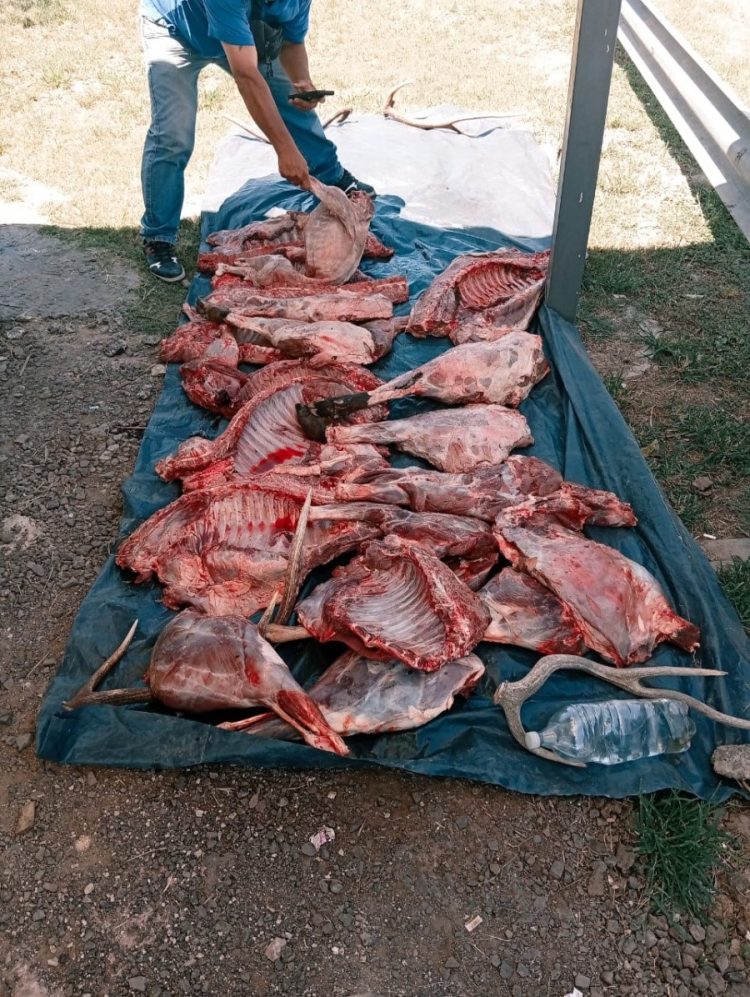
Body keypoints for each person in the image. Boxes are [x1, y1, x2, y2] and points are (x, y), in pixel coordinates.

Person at [138, 0, 374, 281]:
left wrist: (302, 81)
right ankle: (159, 236)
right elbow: (247, 75)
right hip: (176, 32)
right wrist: (285, 150)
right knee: (173, 134)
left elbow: (291, 42)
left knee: (289, 100)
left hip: (241, 34)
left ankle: (334, 178)